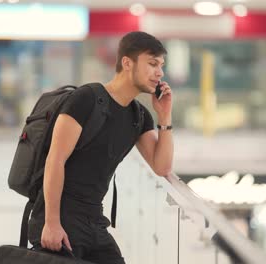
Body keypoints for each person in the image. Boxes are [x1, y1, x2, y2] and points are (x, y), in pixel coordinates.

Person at [28, 31, 174, 264]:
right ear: (127, 63)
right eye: (152, 63)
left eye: (161, 65)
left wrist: (164, 116)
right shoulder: (85, 99)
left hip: (95, 220)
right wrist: (51, 223)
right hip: (61, 219)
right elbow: (55, 160)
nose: (160, 72)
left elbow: (161, 166)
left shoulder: (139, 116)